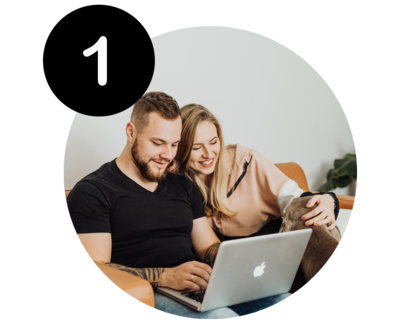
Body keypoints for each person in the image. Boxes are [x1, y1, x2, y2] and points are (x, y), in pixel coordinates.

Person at [66, 92, 292, 321]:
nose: (167, 155)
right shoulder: (93, 192)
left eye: (174, 145)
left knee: (282, 299)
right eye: (158, 143)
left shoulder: (184, 187)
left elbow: (208, 247)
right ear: (131, 132)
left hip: (196, 288)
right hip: (151, 293)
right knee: (220, 317)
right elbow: (98, 267)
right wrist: (164, 277)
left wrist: (242, 261)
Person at [170, 103, 340, 296]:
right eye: (196, 147)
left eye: (213, 142)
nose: (209, 154)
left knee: (307, 209)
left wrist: (329, 199)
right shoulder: (177, 183)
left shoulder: (248, 162)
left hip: (283, 259)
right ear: (181, 149)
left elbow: (296, 199)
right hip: (240, 276)